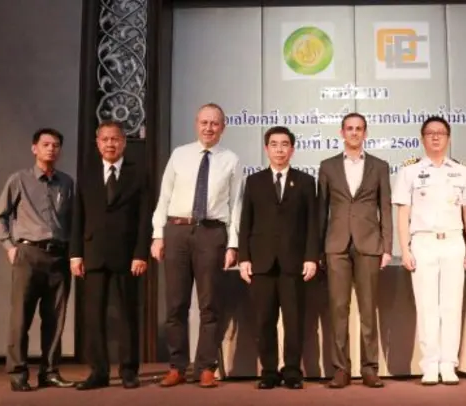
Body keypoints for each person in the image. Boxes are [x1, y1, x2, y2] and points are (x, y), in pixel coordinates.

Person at [151, 103, 243, 388]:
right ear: (196, 124)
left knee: (209, 304)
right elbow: (164, 196)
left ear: (223, 127)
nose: (209, 128)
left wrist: (233, 244)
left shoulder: (231, 160)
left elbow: (236, 204)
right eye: (204, 122)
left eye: (214, 123)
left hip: (212, 233)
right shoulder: (180, 154)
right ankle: (177, 366)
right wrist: (157, 234)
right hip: (177, 231)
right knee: (176, 304)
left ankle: (206, 367)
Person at [392, 116, 466, 385]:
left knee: (451, 305)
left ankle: (449, 363)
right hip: (423, 242)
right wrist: (405, 249)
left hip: (454, 241)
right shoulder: (409, 172)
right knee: (427, 305)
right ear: (422, 138)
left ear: (448, 138)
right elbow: (403, 213)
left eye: (441, 132)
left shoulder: (462, 171)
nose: (436, 137)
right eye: (430, 133)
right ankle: (430, 364)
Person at [0, 128, 75, 391]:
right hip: (28, 254)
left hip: (59, 256)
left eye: (56, 145)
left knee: (55, 319)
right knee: (21, 318)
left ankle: (49, 371)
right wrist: (9, 246)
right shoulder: (19, 179)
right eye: (46, 144)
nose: (51, 149)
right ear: (34, 148)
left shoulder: (66, 183)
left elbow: (73, 220)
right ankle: (18, 373)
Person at [69, 121, 150, 390]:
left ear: (124, 142)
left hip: (127, 256)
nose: (110, 144)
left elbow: (144, 219)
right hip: (92, 253)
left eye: (115, 139)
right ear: (97, 143)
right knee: (93, 316)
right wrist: (75, 254)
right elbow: (78, 216)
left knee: (128, 314)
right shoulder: (87, 174)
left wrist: (141, 253)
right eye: (105, 139)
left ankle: (129, 371)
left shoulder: (138, 173)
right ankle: (98, 372)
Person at [237, 126, 319, 390]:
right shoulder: (254, 181)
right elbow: (245, 221)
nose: (280, 150)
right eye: (274, 144)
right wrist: (244, 257)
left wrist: (311, 257)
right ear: (266, 149)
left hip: (294, 262)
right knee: (264, 320)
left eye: (285, 145)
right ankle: (269, 371)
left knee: (293, 320)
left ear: (292, 149)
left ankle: (293, 371)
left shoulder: (305, 181)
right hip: (261, 262)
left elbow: (313, 223)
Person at [318, 113, 391, 389]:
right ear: (341, 132)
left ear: (365, 133)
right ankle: (341, 369)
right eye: (349, 128)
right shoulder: (327, 166)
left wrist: (387, 246)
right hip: (336, 245)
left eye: (359, 128)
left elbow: (385, 208)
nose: (354, 133)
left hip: (369, 243)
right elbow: (321, 210)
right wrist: (318, 248)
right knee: (338, 309)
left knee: (368, 309)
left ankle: (370, 368)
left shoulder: (379, 166)